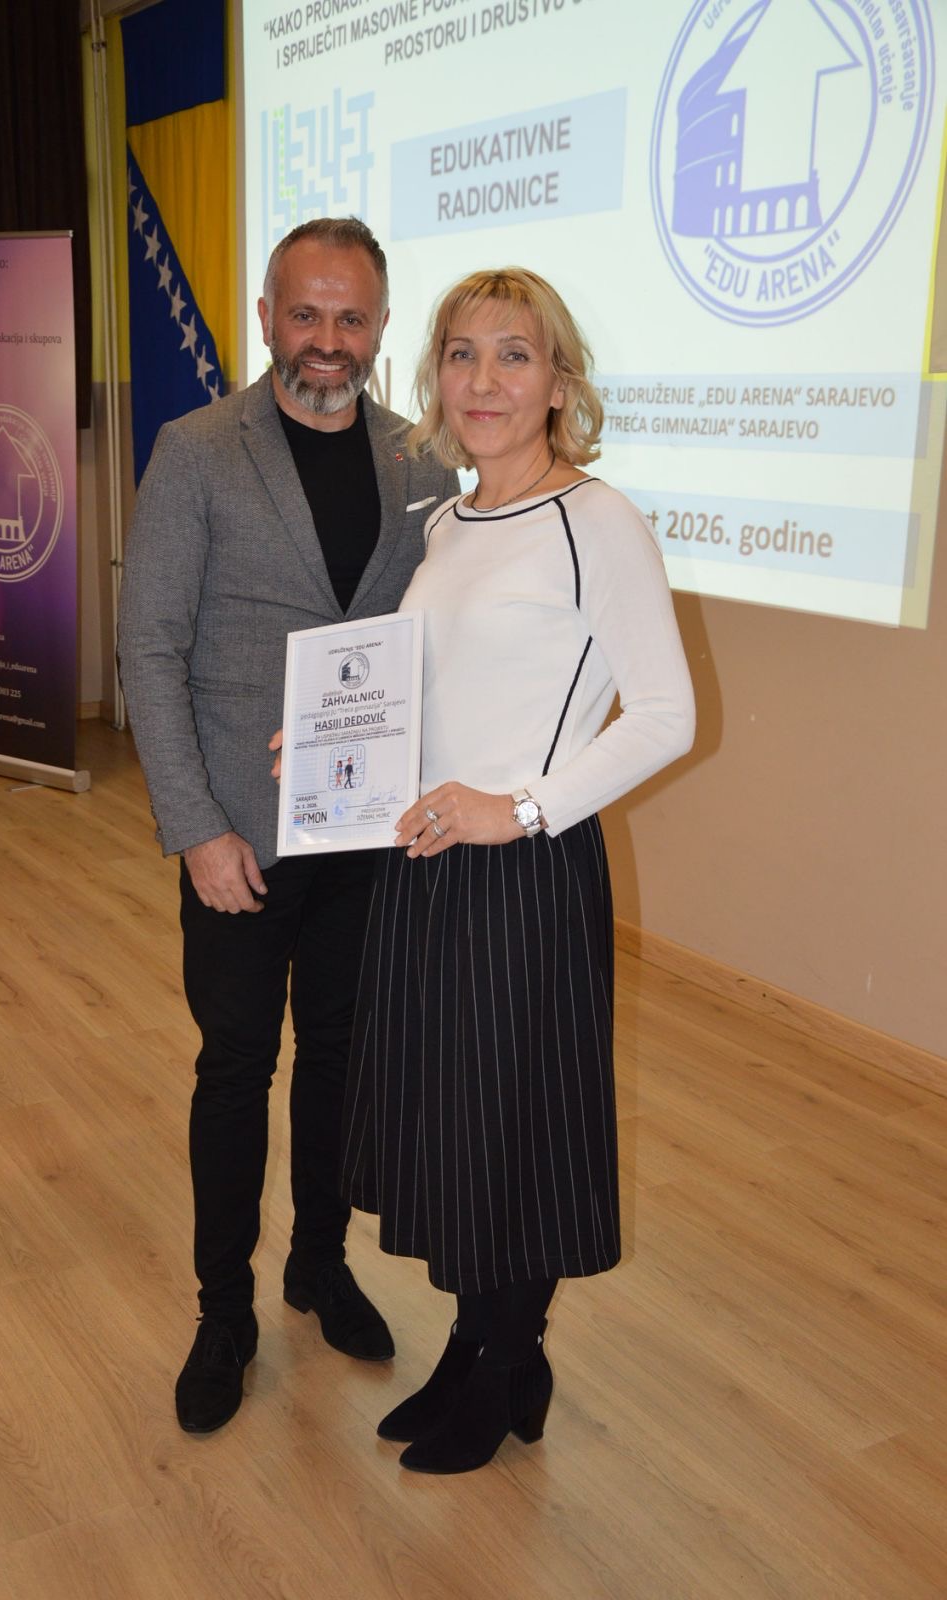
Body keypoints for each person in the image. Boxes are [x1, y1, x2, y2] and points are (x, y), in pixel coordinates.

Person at [340, 268, 696, 1474]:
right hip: (426, 865)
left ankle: (507, 1360)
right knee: (452, 1130)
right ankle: (475, 1345)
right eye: (460, 353)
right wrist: (334, 750)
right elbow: (436, 694)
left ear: (557, 382)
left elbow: (665, 716)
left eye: (513, 354)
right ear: (434, 376)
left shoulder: (598, 521)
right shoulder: (447, 523)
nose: (483, 380)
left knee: (512, 1136)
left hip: (521, 874)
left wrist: (524, 808)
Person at [117, 216, 457, 1435]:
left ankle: (319, 1262)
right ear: (266, 317)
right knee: (234, 1069)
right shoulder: (197, 451)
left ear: (379, 325)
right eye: (304, 313)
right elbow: (149, 648)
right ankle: (224, 1311)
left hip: (365, 837)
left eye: (350, 317)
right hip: (240, 845)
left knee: (342, 1057)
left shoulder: (422, 462)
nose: (327, 339)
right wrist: (196, 828)